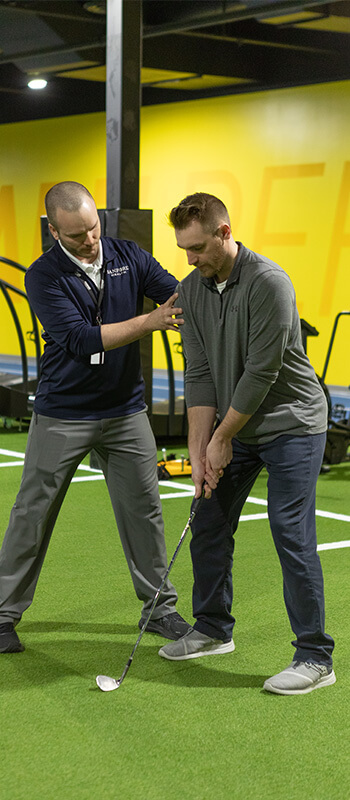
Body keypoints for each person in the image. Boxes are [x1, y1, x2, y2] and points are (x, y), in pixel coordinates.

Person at [0, 181, 191, 654]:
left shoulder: (129, 254)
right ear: (53, 231)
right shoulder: (42, 276)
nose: (90, 240)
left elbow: (179, 296)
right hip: (63, 413)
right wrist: (149, 322)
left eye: (93, 228)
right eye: (76, 235)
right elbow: (82, 339)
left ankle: (160, 609)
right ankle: (3, 615)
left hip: (126, 411)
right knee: (32, 514)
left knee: (144, 512)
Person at [158, 192, 336, 696]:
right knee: (208, 519)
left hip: (292, 422)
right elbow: (199, 374)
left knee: (289, 530)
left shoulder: (269, 283)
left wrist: (221, 438)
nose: (189, 259)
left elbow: (261, 373)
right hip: (234, 426)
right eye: (183, 250)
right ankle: (212, 628)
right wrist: (198, 453)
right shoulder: (191, 290)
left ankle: (315, 656)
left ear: (224, 232)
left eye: (197, 247)